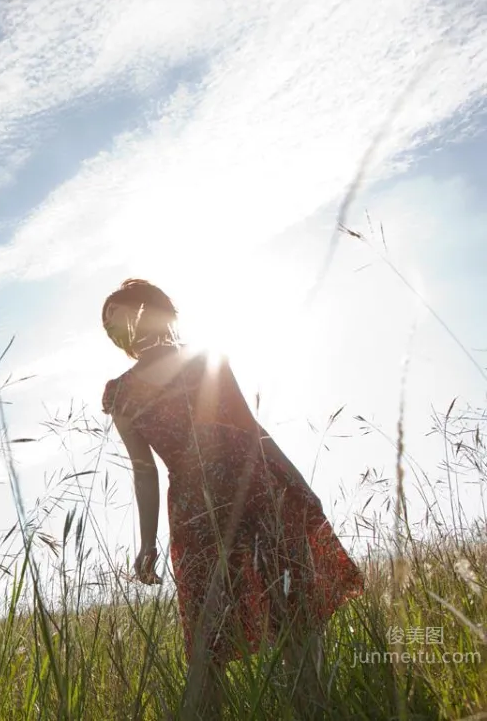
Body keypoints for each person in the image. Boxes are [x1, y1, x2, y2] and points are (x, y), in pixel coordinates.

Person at [99, 278, 363, 719]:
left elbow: (252, 429)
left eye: (116, 317)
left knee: (291, 611)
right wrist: (147, 543)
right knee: (207, 632)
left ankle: (313, 707)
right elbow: (143, 471)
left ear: (148, 309)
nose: (111, 331)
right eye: (105, 328)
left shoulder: (205, 360)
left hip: (259, 491)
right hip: (194, 511)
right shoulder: (120, 392)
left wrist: (300, 484)